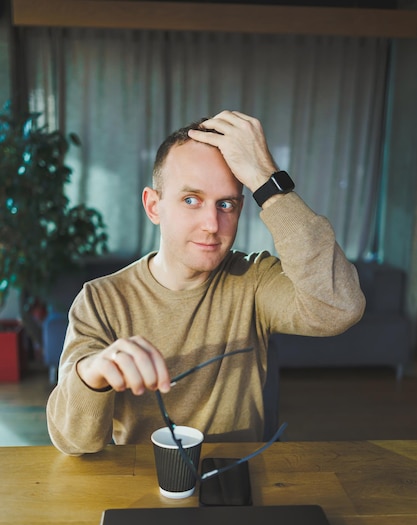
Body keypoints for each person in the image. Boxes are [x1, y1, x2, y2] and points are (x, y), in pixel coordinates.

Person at [47, 110, 365, 455]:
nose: (212, 224)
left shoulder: (254, 279)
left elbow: (339, 309)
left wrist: (267, 180)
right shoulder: (101, 300)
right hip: (141, 482)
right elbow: (72, 442)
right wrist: (91, 373)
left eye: (226, 204)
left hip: (241, 477)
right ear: (154, 207)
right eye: (190, 200)